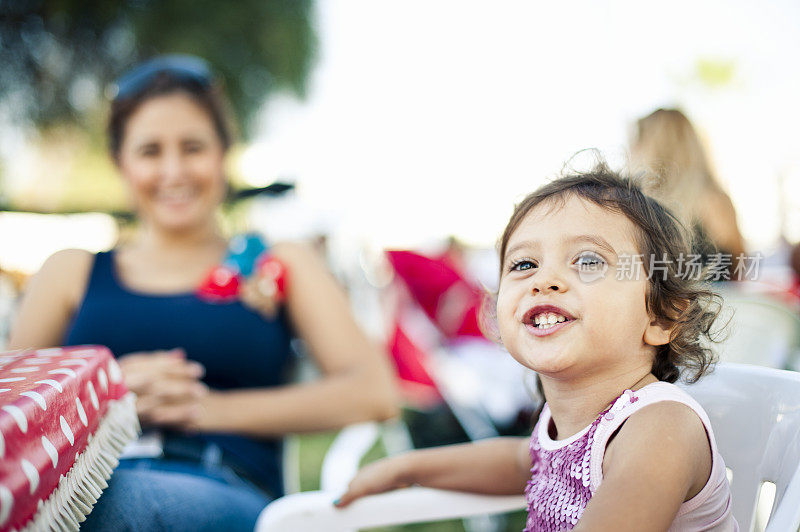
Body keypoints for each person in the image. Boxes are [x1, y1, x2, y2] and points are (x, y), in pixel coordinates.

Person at [8, 55, 399, 531]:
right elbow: (13, 411)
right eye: (150, 151)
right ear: (121, 163)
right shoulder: (70, 271)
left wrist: (208, 408)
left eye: (192, 147)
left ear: (222, 155)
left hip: (221, 484)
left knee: (116, 507)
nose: (173, 170)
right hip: (79, 485)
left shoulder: (281, 261)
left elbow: (374, 392)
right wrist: (103, 392)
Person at [335, 164, 737, 531]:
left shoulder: (660, 426)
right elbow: (520, 462)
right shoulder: (567, 423)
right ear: (494, 314)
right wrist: (405, 469)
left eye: (588, 261)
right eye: (524, 265)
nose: (544, 280)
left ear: (661, 317)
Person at [631, 108, 746, 279]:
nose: (632, 149)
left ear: (649, 146)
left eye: (637, 141)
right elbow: (738, 267)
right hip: (717, 302)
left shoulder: (637, 205)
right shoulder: (716, 201)